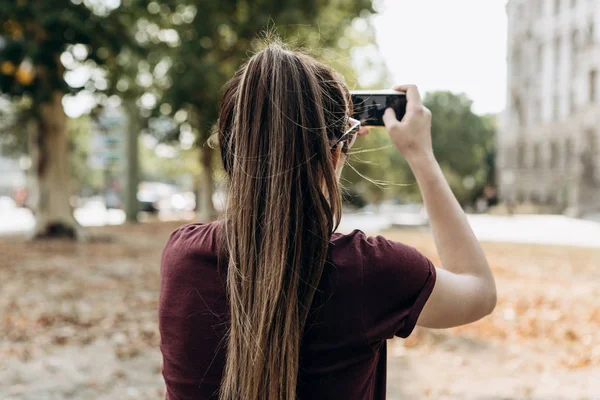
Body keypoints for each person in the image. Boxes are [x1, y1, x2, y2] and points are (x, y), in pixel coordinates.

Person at [159, 42, 497, 400]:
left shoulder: (182, 257)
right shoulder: (372, 270)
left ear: (231, 149)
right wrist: (420, 154)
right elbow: (479, 290)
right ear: (335, 152)